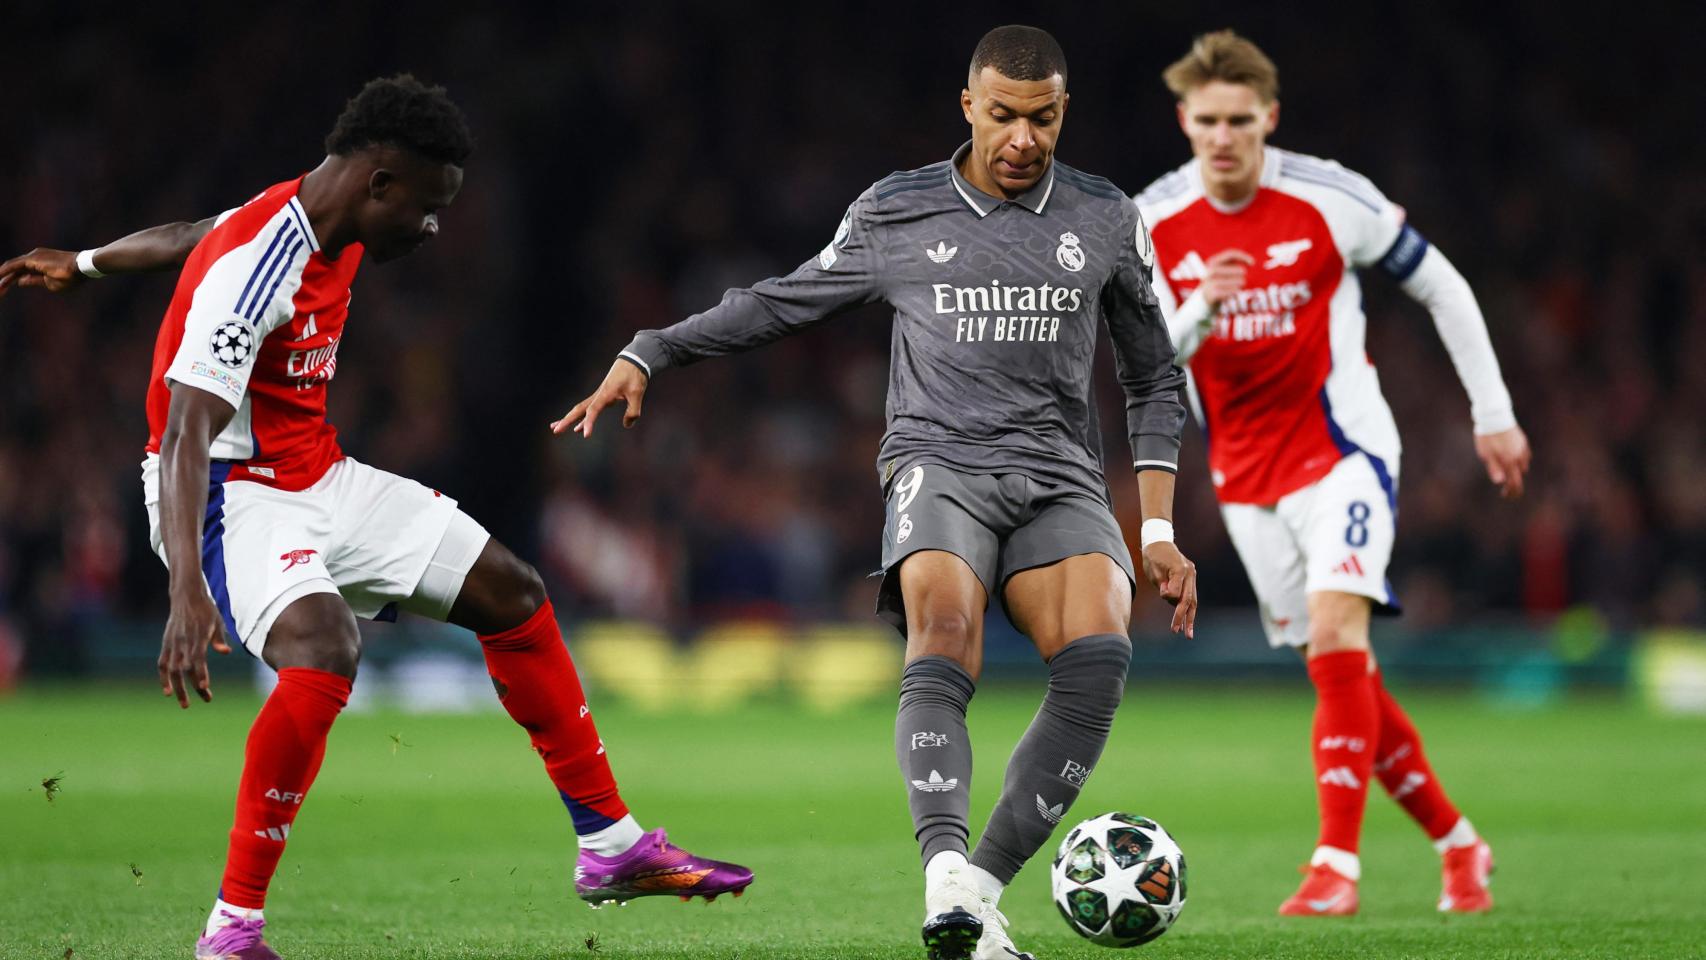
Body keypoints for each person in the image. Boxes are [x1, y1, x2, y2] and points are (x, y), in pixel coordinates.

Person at [0, 75, 749, 960]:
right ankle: (232, 930)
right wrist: (184, 591)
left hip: (320, 474)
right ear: (379, 182)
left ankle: (611, 848)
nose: (432, 230)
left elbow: (188, 235)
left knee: (512, 592)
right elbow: (187, 430)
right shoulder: (259, 271)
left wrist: (82, 264)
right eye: (427, 209)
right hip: (224, 496)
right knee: (324, 650)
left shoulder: (310, 215)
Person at [557, 25, 1197, 960]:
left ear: (1066, 113)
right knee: (945, 633)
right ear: (970, 106)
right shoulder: (898, 211)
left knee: (1099, 652)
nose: (1023, 138)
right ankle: (943, 870)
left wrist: (1159, 529)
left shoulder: (1106, 219)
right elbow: (779, 300)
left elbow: (1152, 380)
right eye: (1006, 116)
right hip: (938, 463)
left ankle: (974, 898)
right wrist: (652, 347)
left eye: (1044, 118)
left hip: (1059, 473)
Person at [1134, 30, 1530, 916]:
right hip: (1244, 478)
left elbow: (1444, 286)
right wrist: (1203, 306)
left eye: (1242, 120)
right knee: (1340, 674)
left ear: (1268, 118)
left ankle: (1334, 867)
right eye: (1208, 121)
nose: (1225, 138)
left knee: (1339, 636)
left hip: (1344, 454)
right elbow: (1146, 358)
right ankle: (1460, 846)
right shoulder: (1150, 222)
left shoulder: (1329, 196)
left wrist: (1493, 414)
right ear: (1184, 121)